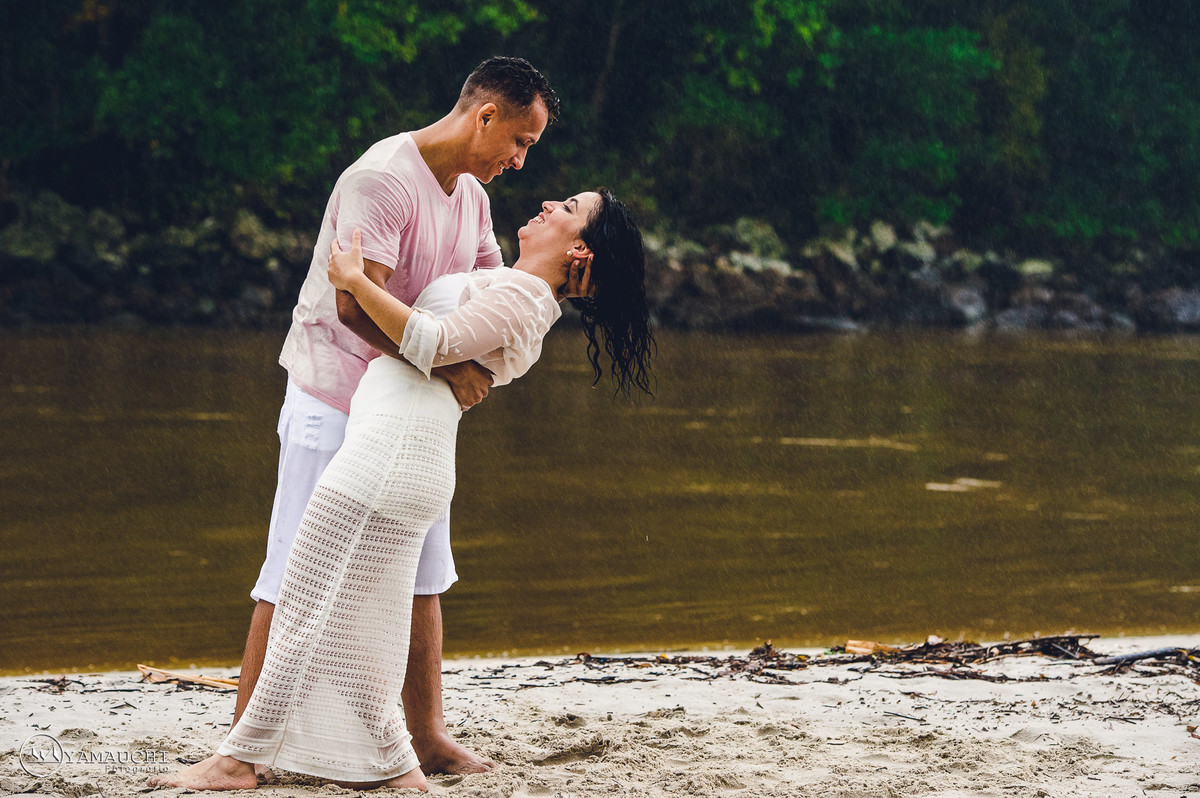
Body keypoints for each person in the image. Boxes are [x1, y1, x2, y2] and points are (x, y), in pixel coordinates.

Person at [149, 188, 654, 791]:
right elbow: (441, 332)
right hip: (393, 456)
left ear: (580, 248)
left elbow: (433, 343)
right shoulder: (508, 283)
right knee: (350, 616)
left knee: (308, 605)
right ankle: (389, 768)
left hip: (389, 457)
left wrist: (354, 282)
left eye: (568, 208)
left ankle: (246, 761)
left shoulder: (525, 297)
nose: (548, 203)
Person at [232, 56, 559, 779]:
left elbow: (488, 288)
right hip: (333, 394)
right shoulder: (380, 178)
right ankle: (241, 754)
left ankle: (429, 736)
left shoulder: (470, 194)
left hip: (409, 413)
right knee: (291, 567)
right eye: (521, 141)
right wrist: (446, 365)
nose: (520, 160)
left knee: (423, 572)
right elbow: (351, 303)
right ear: (486, 116)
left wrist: (554, 291)